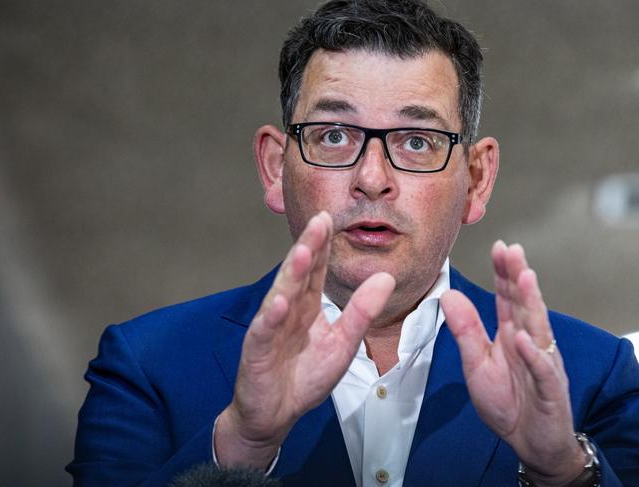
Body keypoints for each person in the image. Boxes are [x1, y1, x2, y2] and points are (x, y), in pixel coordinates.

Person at [67, 1, 639, 486]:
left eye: (417, 140)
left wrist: (562, 470)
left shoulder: (595, 373)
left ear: (477, 179)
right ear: (274, 167)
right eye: (334, 135)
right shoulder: (145, 365)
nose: (372, 178)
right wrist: (242, 442)